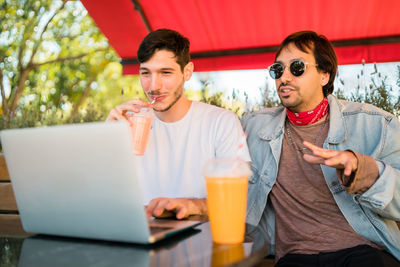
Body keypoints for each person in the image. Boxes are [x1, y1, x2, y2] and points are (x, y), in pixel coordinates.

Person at [242, 31, 400, 266]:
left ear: (324, 75)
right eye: (277, 69)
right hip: (295, 257)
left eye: (296, 67)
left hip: (362, 250)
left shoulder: (376, 125)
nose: (283, 77)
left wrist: (362, 169)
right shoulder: (253, 127)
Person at [107, 28, 250, 220]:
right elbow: (104, 193)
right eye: (145, 73)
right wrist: (106, 140)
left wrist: (191, 204)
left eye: (165, 73)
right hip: (141, 238)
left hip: (200, 241)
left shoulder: (221, 122)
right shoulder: (129, 123)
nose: (153, 86)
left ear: (187, 72)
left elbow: (235, 198)